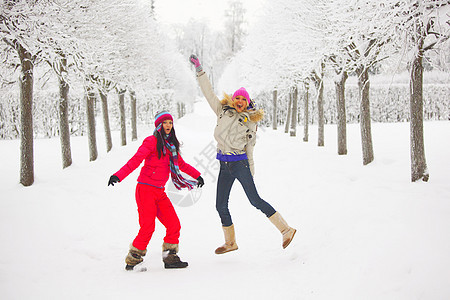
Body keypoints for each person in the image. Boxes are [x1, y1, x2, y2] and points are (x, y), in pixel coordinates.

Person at [189, 54, 296, 254]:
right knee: (220, 205)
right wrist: (200, 71)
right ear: (233, 99)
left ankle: (286, 229)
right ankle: (230, 243)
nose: (239, 101)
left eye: (243, 99)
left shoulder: (250, 122)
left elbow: (250, 148)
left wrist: (251, 171)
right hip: (224, 165)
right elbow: (208, 92)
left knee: (255, 200)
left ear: (247, 103)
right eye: (237, 97)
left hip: (240, 164)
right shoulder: (222, 110)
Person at [108, 111, 204, 270]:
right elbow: (135, 160)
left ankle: (170, 257)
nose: (168, 125)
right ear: (159, 125)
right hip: (145, 190)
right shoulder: (151, 141)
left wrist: (198, 176)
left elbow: (182, 164)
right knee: (148, 227)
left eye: (170, 123)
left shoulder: (171, 146)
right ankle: (134, 259)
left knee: (173, 223)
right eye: (165, 123)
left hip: (159, 192)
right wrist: (118, 176)